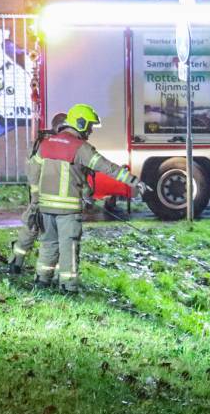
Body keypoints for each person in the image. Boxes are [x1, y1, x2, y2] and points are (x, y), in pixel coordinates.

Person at [32, 103, 141, 292]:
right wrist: (132, 180)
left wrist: (36, 199)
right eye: (89, 126)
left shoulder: (46, 144)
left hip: (45, 208)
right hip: (68, 211)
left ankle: (42, 280)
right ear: (80, 123)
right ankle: (68, 286)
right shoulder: (81, 147)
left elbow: (34, 172)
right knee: (69, 249)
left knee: (48, 244)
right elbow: (108, 167)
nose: (90, 131)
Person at [8, 112, 68, 274]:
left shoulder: (44, 143)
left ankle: (17, 262)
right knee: (39, 230)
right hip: (46, 197)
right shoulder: (45, 143)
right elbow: (33, 171)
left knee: (36, 230)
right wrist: (36, 197)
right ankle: (17, 263)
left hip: (47, 197)